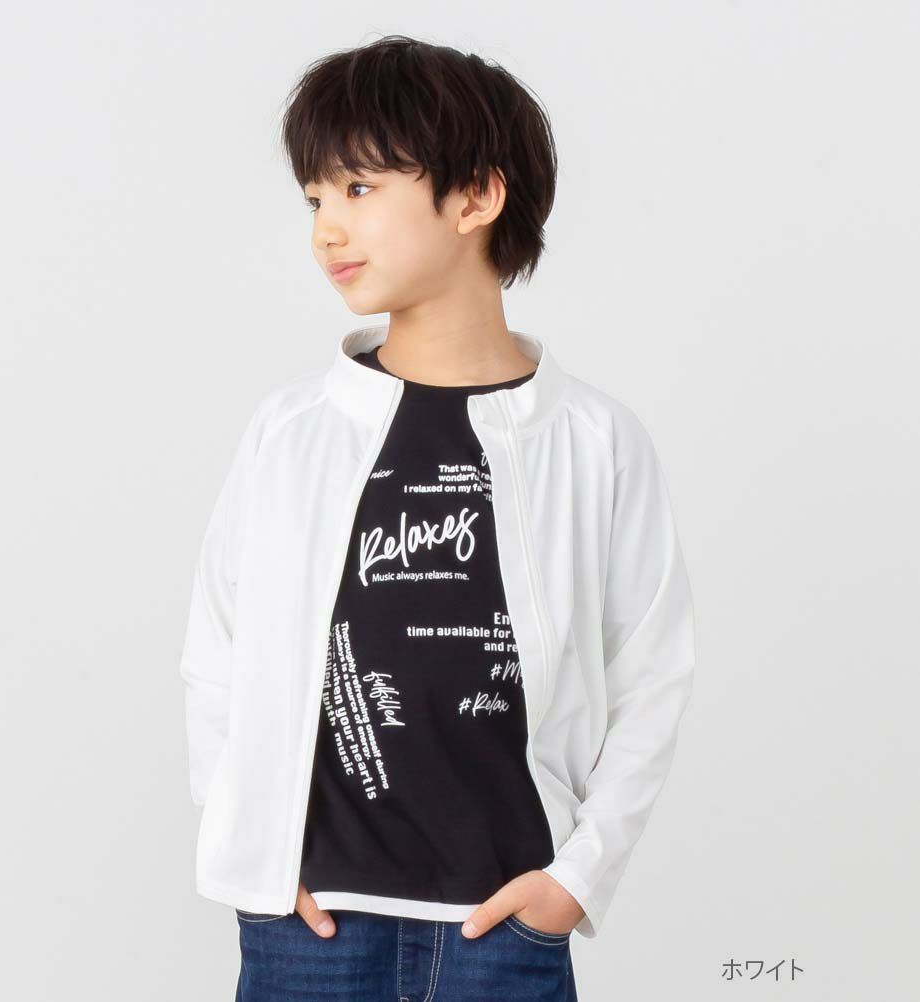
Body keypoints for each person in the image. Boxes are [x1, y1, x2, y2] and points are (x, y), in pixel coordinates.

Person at [178, 35, 696, 1002]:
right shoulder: (292, 431)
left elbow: (652, 674)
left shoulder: (594, 441)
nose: (327, 230)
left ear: (475, 196)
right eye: (315, 200)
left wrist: (577, 880)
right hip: (310, 929)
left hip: (504, 930)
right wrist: (250, 851)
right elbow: (218, 650)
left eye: (359, 189)